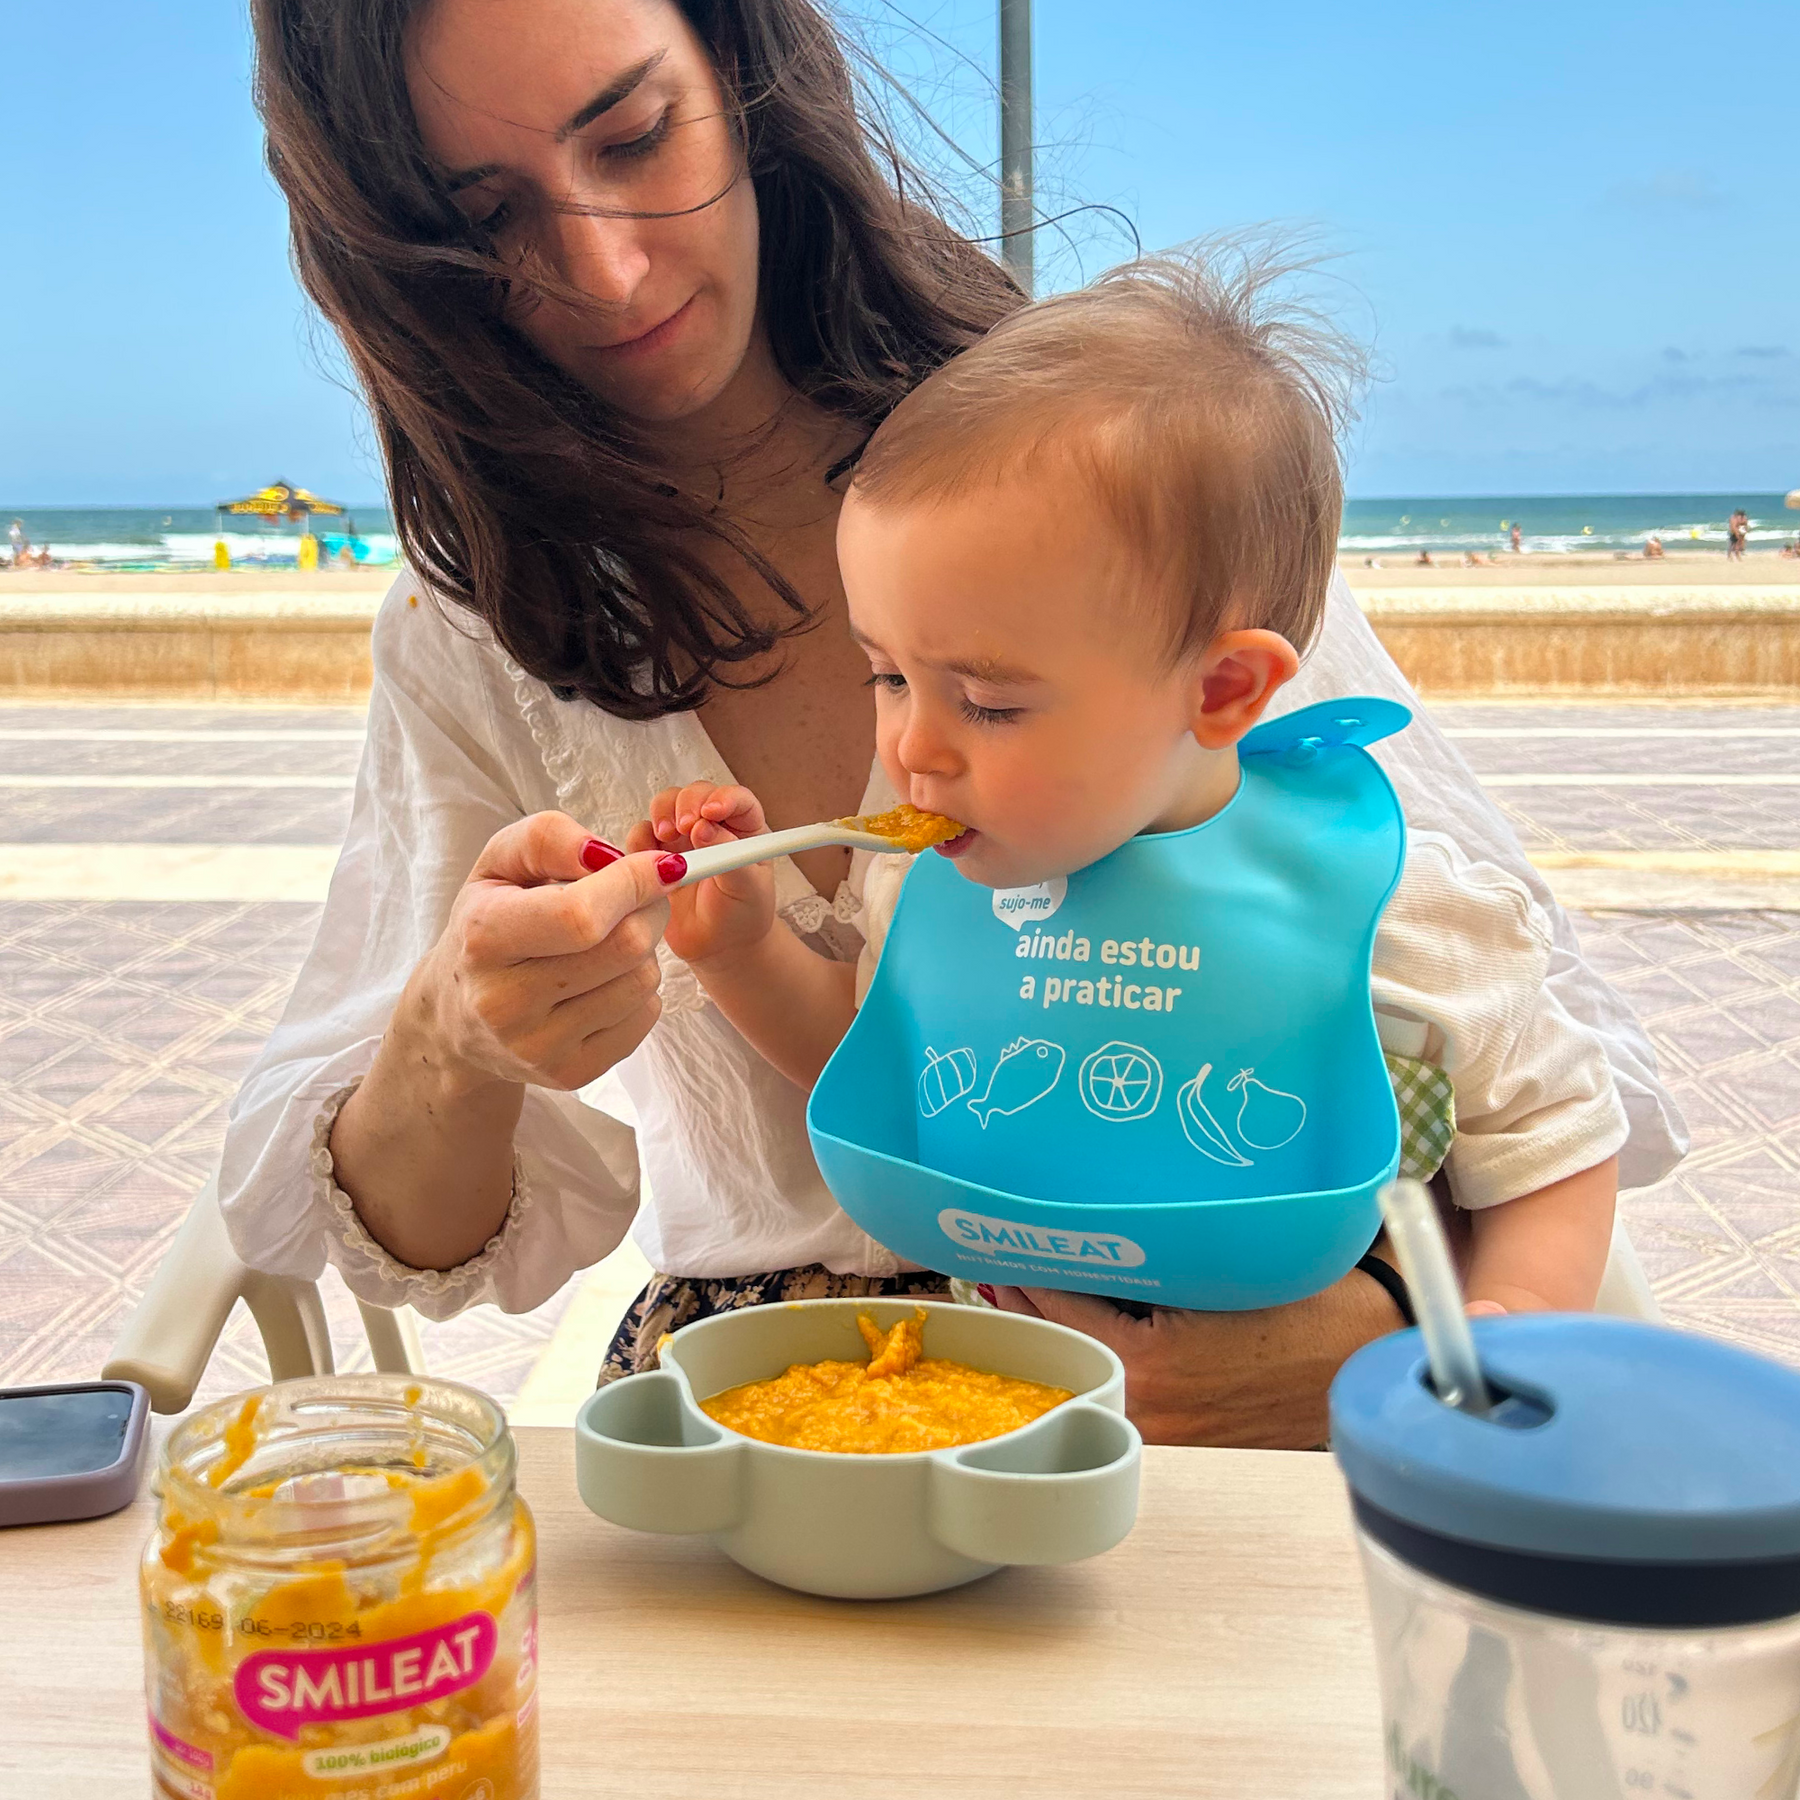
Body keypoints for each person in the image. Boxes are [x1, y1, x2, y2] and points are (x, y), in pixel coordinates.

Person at [219, 0, 1683, 1449]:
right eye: (484, 224)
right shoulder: (508, 657)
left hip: (1247, 1400)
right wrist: (496, 1022)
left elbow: (1540, 1109)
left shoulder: (1128, 491)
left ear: (741, 71)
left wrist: (1396, 1355)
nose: (603, 270)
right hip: (778, 1390)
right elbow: (870, 1056)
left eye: (637, 133)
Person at [637, 256, 1624, 1363]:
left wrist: (1509, 1327)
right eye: (889, 677)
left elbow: (1556, 1138)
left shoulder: (1399, 918)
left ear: (1221, 692)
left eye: (989, 702)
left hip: (1284, 1462)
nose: (911, 748)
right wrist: (740, 950)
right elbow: (874, 1061)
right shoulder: (922, 884)